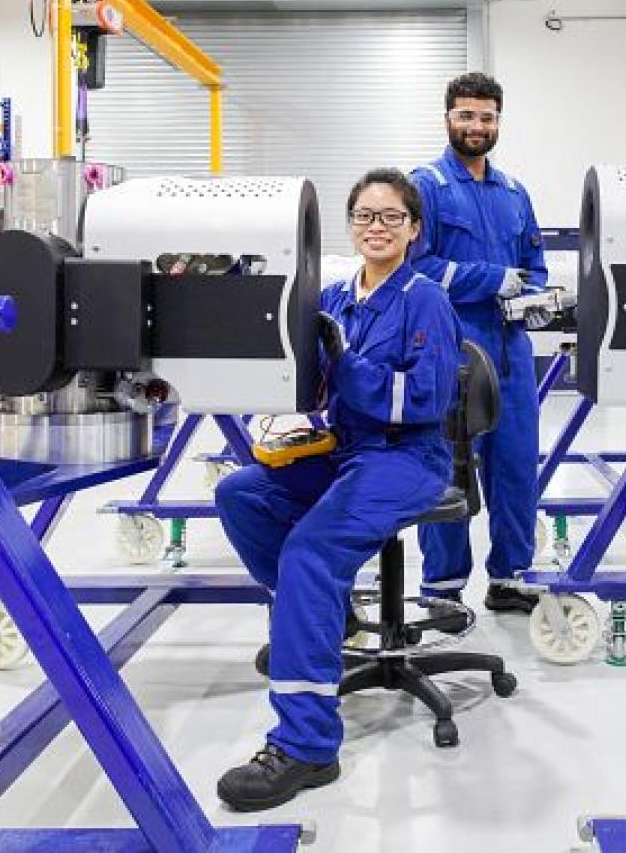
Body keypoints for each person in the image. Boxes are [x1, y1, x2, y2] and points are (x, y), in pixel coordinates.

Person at [215, 168, 461, 811]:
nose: (376, 227)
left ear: (413, 229)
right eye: (364, 216)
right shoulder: (330, 296)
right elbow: (306, 379)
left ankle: (305, 746)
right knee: (242, 494)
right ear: (350, 225)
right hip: (343, 449)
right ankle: (326, 615)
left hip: (407, 456)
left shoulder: (424, 298)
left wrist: (347, 365)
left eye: (390, 217)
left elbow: (426, 397)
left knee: (310, 553)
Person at [410, 72, 549, 615]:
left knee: (515, 466)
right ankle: (442, 588)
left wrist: (533, 294)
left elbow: (533, 264)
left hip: (511, 349)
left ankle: (510, 576)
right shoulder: (425, 186)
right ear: (447, 118)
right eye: (466, 115)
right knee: (448, 467)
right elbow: (417, 263)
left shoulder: (514, 192)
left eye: (486, 117)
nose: (476, 126)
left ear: (498, 122)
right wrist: (492, 280)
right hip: (451, 350)